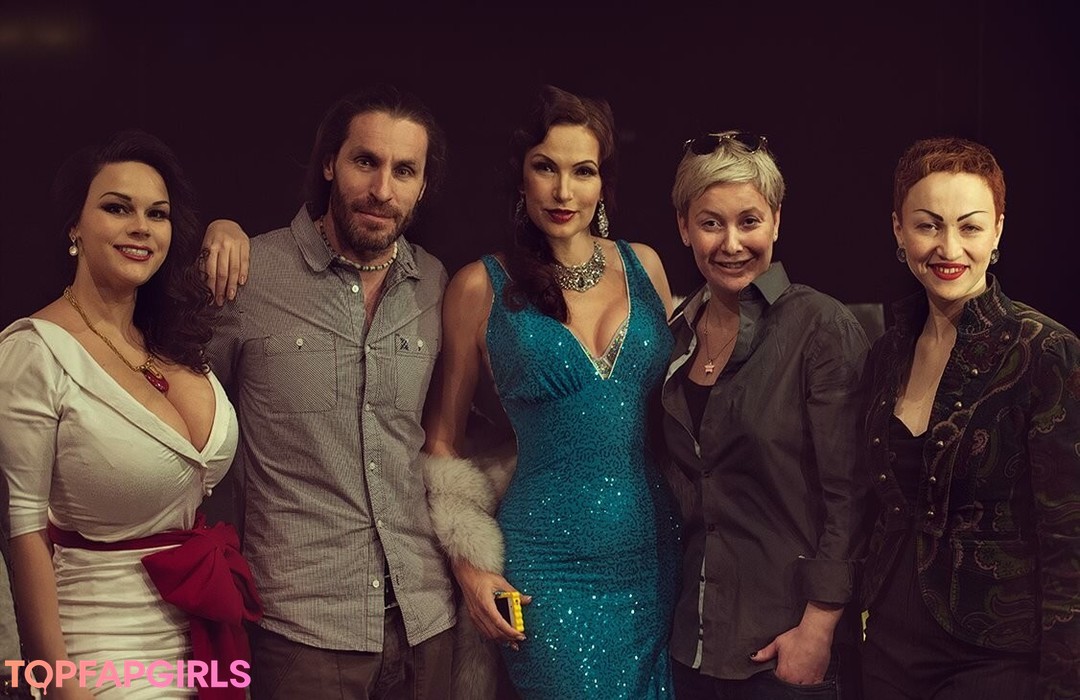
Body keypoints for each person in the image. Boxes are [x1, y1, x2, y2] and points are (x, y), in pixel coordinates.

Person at [420, 84, 680, 700]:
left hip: (655, 557)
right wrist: (469, 566)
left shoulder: (645, 267)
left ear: (603, 183)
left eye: (582, 171)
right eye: (546, 168)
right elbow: (442, 443)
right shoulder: (479, 287)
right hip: (546, 569)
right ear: (521, 177)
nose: (564, 191)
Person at [202, 85, 456, 698]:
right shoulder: (249, 274)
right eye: (365, 161)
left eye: (405, 171)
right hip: (301, 631)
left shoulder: (435, 284)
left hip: (426, 622)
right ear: (328, 164)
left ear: (423, 186)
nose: (382, 189)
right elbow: (177, 425)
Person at [0, 130, 258, 699]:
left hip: (204, 638)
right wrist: (58, 682)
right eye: (117, 208)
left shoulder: (173, 340)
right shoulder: (32, 351)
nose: (141, 226)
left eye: (156, 214)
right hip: (101, 649)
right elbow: (25, 532)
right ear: (75, 225)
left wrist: (228, 228)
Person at [861, 137, 1080, 699]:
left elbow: (1070, 542)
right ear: (898, 229)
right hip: (886, 644)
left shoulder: (1046, 352)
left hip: (997, 657)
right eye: (928, 225)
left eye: (970, 226)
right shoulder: (887, 352)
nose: (949, 247)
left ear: (998, 231)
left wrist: (1064, 684)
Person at [661, 131, 869, 699]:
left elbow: (851, 495)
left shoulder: (820, 326)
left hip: (786, 645)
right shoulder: (674, 334)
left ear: (776, 220)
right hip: (694, 642)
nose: (731, 243)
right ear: (684, 227)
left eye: (749, 221)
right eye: (711, 223)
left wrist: (819, 626)